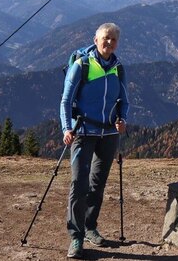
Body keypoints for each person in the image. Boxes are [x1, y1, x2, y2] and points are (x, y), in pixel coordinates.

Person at [60, 22, 129, 259]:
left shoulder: (118, 68)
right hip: (82, 132)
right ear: (96, 39)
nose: (109, 43)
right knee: (79, 184)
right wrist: (66, 128)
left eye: (113, 39)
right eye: (105, 38)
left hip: (108, 134)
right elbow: (65, 101)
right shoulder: (82, 65)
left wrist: (122, 119)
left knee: (97, 185)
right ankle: (76, 236)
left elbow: (124, 100)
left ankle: (90, 227)